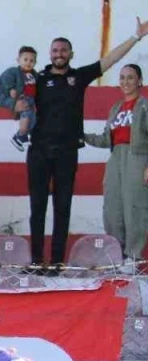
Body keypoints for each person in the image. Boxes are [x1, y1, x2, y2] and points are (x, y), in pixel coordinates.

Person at [29, 24, 148, 270]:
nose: (59, 54)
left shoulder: (79, 77)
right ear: (49, 54)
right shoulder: (38, 79)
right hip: (39, 150)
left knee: (63, 208)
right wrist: (16, 104)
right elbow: (14, 97)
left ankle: (58, 262)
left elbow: (110, 60)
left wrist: (136, 36)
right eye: (55, 50)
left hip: (68, 153)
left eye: (64, 50)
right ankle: (36, 261)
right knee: (38, 208)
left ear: (71, 54)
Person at [84, 64, 148, 266]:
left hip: (137, 157)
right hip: (116, 159)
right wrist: (81, 136)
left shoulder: (144, 106)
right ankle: (116, 255)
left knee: (134, 207)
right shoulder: (116, 108)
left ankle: (133, 258)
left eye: (130, 77)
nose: (125, 82)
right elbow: (106, 139)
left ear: (140, 81)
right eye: (122, 77)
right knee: (112, 208)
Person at [0, 47, 39, 152]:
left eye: (31, 61)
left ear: (35, 62)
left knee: (33, 120)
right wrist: (11, 89)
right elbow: (7, 79)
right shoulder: (14, 71)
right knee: (26, 116)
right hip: (23, 98)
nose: (28, 63)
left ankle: (19, 136)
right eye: (25, 60)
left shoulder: (34, 74)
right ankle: (21, 135)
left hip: (32, 100)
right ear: (18, 60)